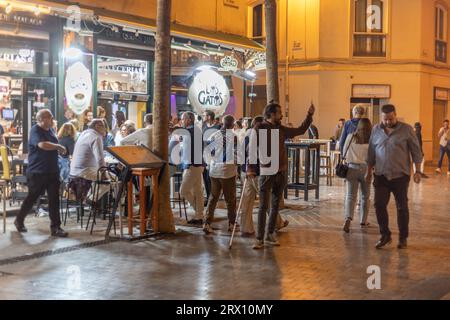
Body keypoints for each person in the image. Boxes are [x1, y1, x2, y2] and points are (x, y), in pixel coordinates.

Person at [248, 102, 315, 249]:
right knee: (263, 206)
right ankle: (259, 238)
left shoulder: (280, 128)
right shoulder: (259, 127)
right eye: (279, 113)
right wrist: (251, 169)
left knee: (275, 205)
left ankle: (270, 234)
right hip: (266, 172)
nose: (281, 115)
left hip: (281, 171)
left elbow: (300, 129)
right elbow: (252, 149)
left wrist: (309, 115)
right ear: (272, 114)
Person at [367, 104, 423, 250]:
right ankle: (385, 235)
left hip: (400, 176)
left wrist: (417, 171)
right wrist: (368, 171)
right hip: (381, 175)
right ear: (381, 117)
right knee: (379, 204)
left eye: (390, 119)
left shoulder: (406, 129)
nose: (388, 122)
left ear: (395, 115)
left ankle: (403, 238)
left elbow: (416, 151)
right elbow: (371, 152)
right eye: (385, 119)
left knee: (402, 207)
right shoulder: (376, 130)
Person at [13, 109, 68, 237]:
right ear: (42, 119)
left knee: (54, 199)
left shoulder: (51, 130)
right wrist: (58, 147)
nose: (53, 118)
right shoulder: (35, 130)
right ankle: (19, 220)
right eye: (50, 116)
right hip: (38, 171)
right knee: (32, 198)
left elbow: (50, 145)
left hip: (52, 171)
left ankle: (56, 228)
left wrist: (57, 150)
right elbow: (42, 145)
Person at [240, 116, 289, 236]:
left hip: (246, 172)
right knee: (265, 202)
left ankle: (246, 228)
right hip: (258, 172)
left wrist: (242, 169)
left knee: (247, 201)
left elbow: (242, 153)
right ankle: (278, 223)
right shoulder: (261, 136)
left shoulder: (246, 134)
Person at [203, 115, 238, 234]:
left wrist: (210, 164)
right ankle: (232, 223)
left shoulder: (214, 135)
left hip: (214, 170)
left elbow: (207, 151)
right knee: (230, 199)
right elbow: (237, 155)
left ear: (222, 123)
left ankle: (207, 223)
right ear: (233, 124)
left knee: (213, 198)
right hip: (227, 172)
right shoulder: (233, 137)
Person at [170, 112, 204, 224]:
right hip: (194, 165)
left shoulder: (192, 131)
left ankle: (199, 213)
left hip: (193, 165)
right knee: (198, 192)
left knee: (183, 191)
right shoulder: (192, 131)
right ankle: (199, 216)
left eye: (183, 119)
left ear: (189, 119)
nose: (181, 121)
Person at [342, 118, 372, 233]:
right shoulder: (371, 140)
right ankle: (363, 220)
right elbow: (373, 157)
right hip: (366, 169)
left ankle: (348, 218)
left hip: (351, 168)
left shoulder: (351, 137)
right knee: (365, 196)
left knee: (350, 196)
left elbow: (344, 151)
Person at [70, 119, 110, 201]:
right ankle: (91, 199)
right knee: (113, 179)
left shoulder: (83, 134)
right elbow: (100, 159)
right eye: (103, 126)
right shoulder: (96, 137)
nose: (105, 129)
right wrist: (103, 174)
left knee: (103, 179)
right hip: (84, 171)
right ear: (97, 126)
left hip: (74, 171)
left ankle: (93, 199)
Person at [202, 110, 221, 206]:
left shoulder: (218, 127)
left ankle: (213, 198)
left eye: (204, 115)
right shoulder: (204, 126)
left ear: (209, 117)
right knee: (205, 177)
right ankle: (208, 196)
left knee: (212, 177)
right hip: (205, 155)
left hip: (214, 156)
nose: (203, 116)